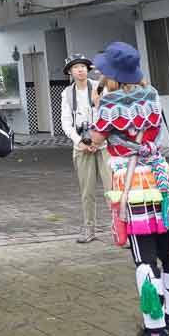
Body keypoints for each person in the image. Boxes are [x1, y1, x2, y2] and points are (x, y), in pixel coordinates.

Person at [88, 42, 169, 336]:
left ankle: (156, 332)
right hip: (162, 178)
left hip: (132, 183)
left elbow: (95, 139)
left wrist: (91, 128)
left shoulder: (109, 103)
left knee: (144, 258)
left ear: (113, 72)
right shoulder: (153, 95)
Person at [60, 53, 112, 244]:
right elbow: (66, 122)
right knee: (87, 191)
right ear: (70, 72)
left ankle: (120, 230)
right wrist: (78, 141)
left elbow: (108, 114)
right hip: (81, 145)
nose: (80, 70)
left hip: (105, 144)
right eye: (75, 67)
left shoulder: (100, 86)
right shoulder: (67, 93)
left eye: (83, 66)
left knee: (112, 189)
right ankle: (89, 229)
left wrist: (99, 140)